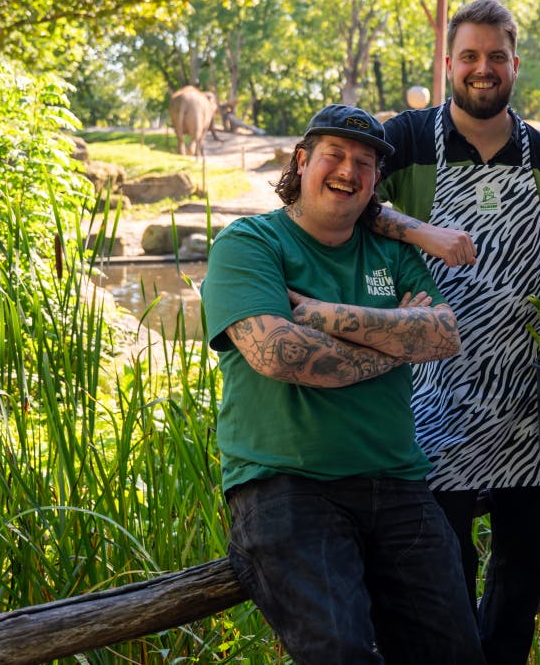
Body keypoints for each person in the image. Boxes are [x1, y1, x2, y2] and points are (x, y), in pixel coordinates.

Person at [201, 104, 485, 665]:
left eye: (365, 162)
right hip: (287, 486)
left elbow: (442, 335)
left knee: (455, 652)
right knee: (342, 653)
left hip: (398, 480)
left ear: (376, 180)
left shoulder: (391, 250)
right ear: (303, 161)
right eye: (334, 155)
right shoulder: (250, 244)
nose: (348, 171)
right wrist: (393, 341)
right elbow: (279, 355)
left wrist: (321, 314)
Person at [374, 0, 540, 665]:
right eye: (469, 56)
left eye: (496, 56)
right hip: (431, 392)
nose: (482, 68)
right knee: (443, 564)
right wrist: (423, 232)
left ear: (514, 64)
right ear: (448, 64)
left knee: (522, 569)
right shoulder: (407, 138)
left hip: (530, 396)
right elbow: (347, 204)